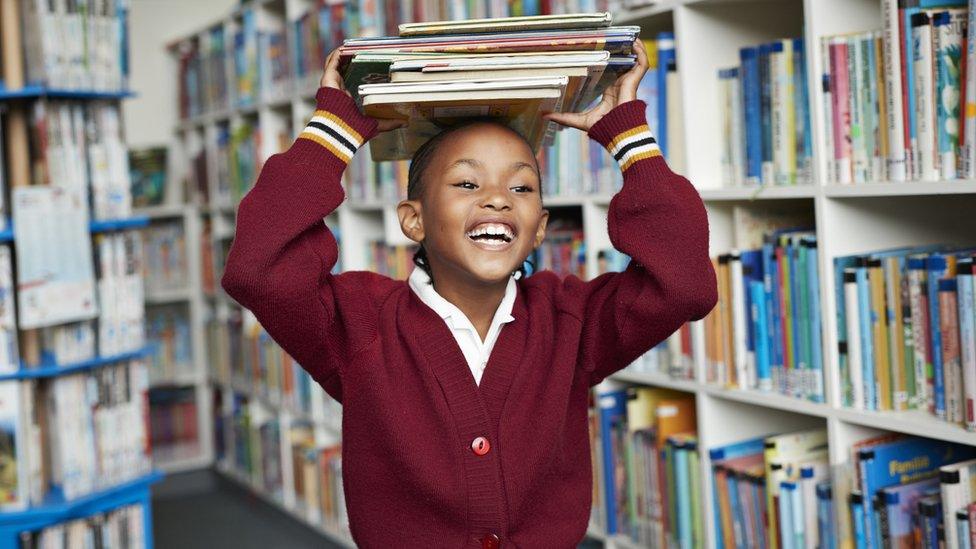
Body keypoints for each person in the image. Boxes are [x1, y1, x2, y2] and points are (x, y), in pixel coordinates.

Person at [221, 39, 716, 548]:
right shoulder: (358, 324)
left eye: (522, 189)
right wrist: (332, 134)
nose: (499, 199)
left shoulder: (572, 320)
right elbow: (260, 269)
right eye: (466, 184)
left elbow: (683, 284)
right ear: (414, 220)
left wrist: (629, 139)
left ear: (540, 228)